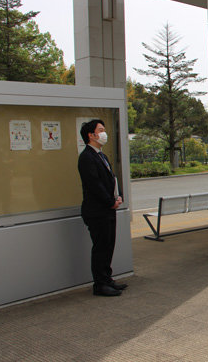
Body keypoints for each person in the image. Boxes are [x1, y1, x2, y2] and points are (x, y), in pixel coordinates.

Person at [78, 119, 126, 297]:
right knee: (100, 248)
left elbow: (111, 179)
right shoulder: (86, 157)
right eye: (101, 130)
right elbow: (94, 185)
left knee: (108, 245)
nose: (104, 133)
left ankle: (107, 279)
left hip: (108, 209)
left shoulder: (101, 155)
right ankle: (99, 284)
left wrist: (118, 196)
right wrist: (109, 201)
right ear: (91, 135)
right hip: (97, 211)